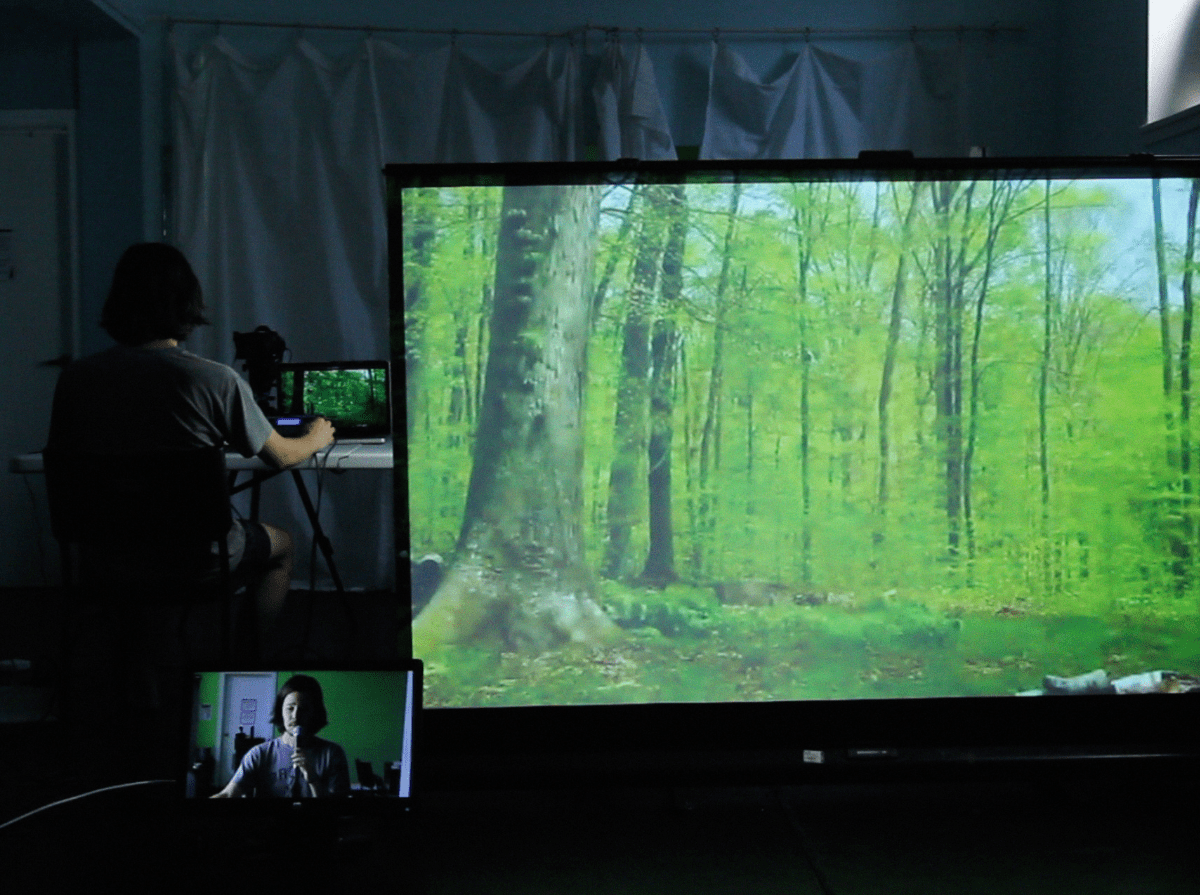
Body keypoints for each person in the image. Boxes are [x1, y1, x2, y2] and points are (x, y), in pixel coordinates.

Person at [46, 242, 336, 656]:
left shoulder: (76, 378)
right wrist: (318, 436)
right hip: (197, 561)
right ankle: (244, 663)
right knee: (283, 546)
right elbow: (282, 456)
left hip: (107, 559)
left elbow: (63, 456)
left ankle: (144, 687)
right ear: (187, 302)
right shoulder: (214, 380)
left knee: (134, 546)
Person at [211, 674, 350, 798]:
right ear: (280, 711)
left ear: (315, 713)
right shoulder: (259, 754)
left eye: (304, 709)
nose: (295, 716)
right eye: (290, 708)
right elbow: (229, 793)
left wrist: (313, 779)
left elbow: (338, 809)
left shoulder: (333, 754)